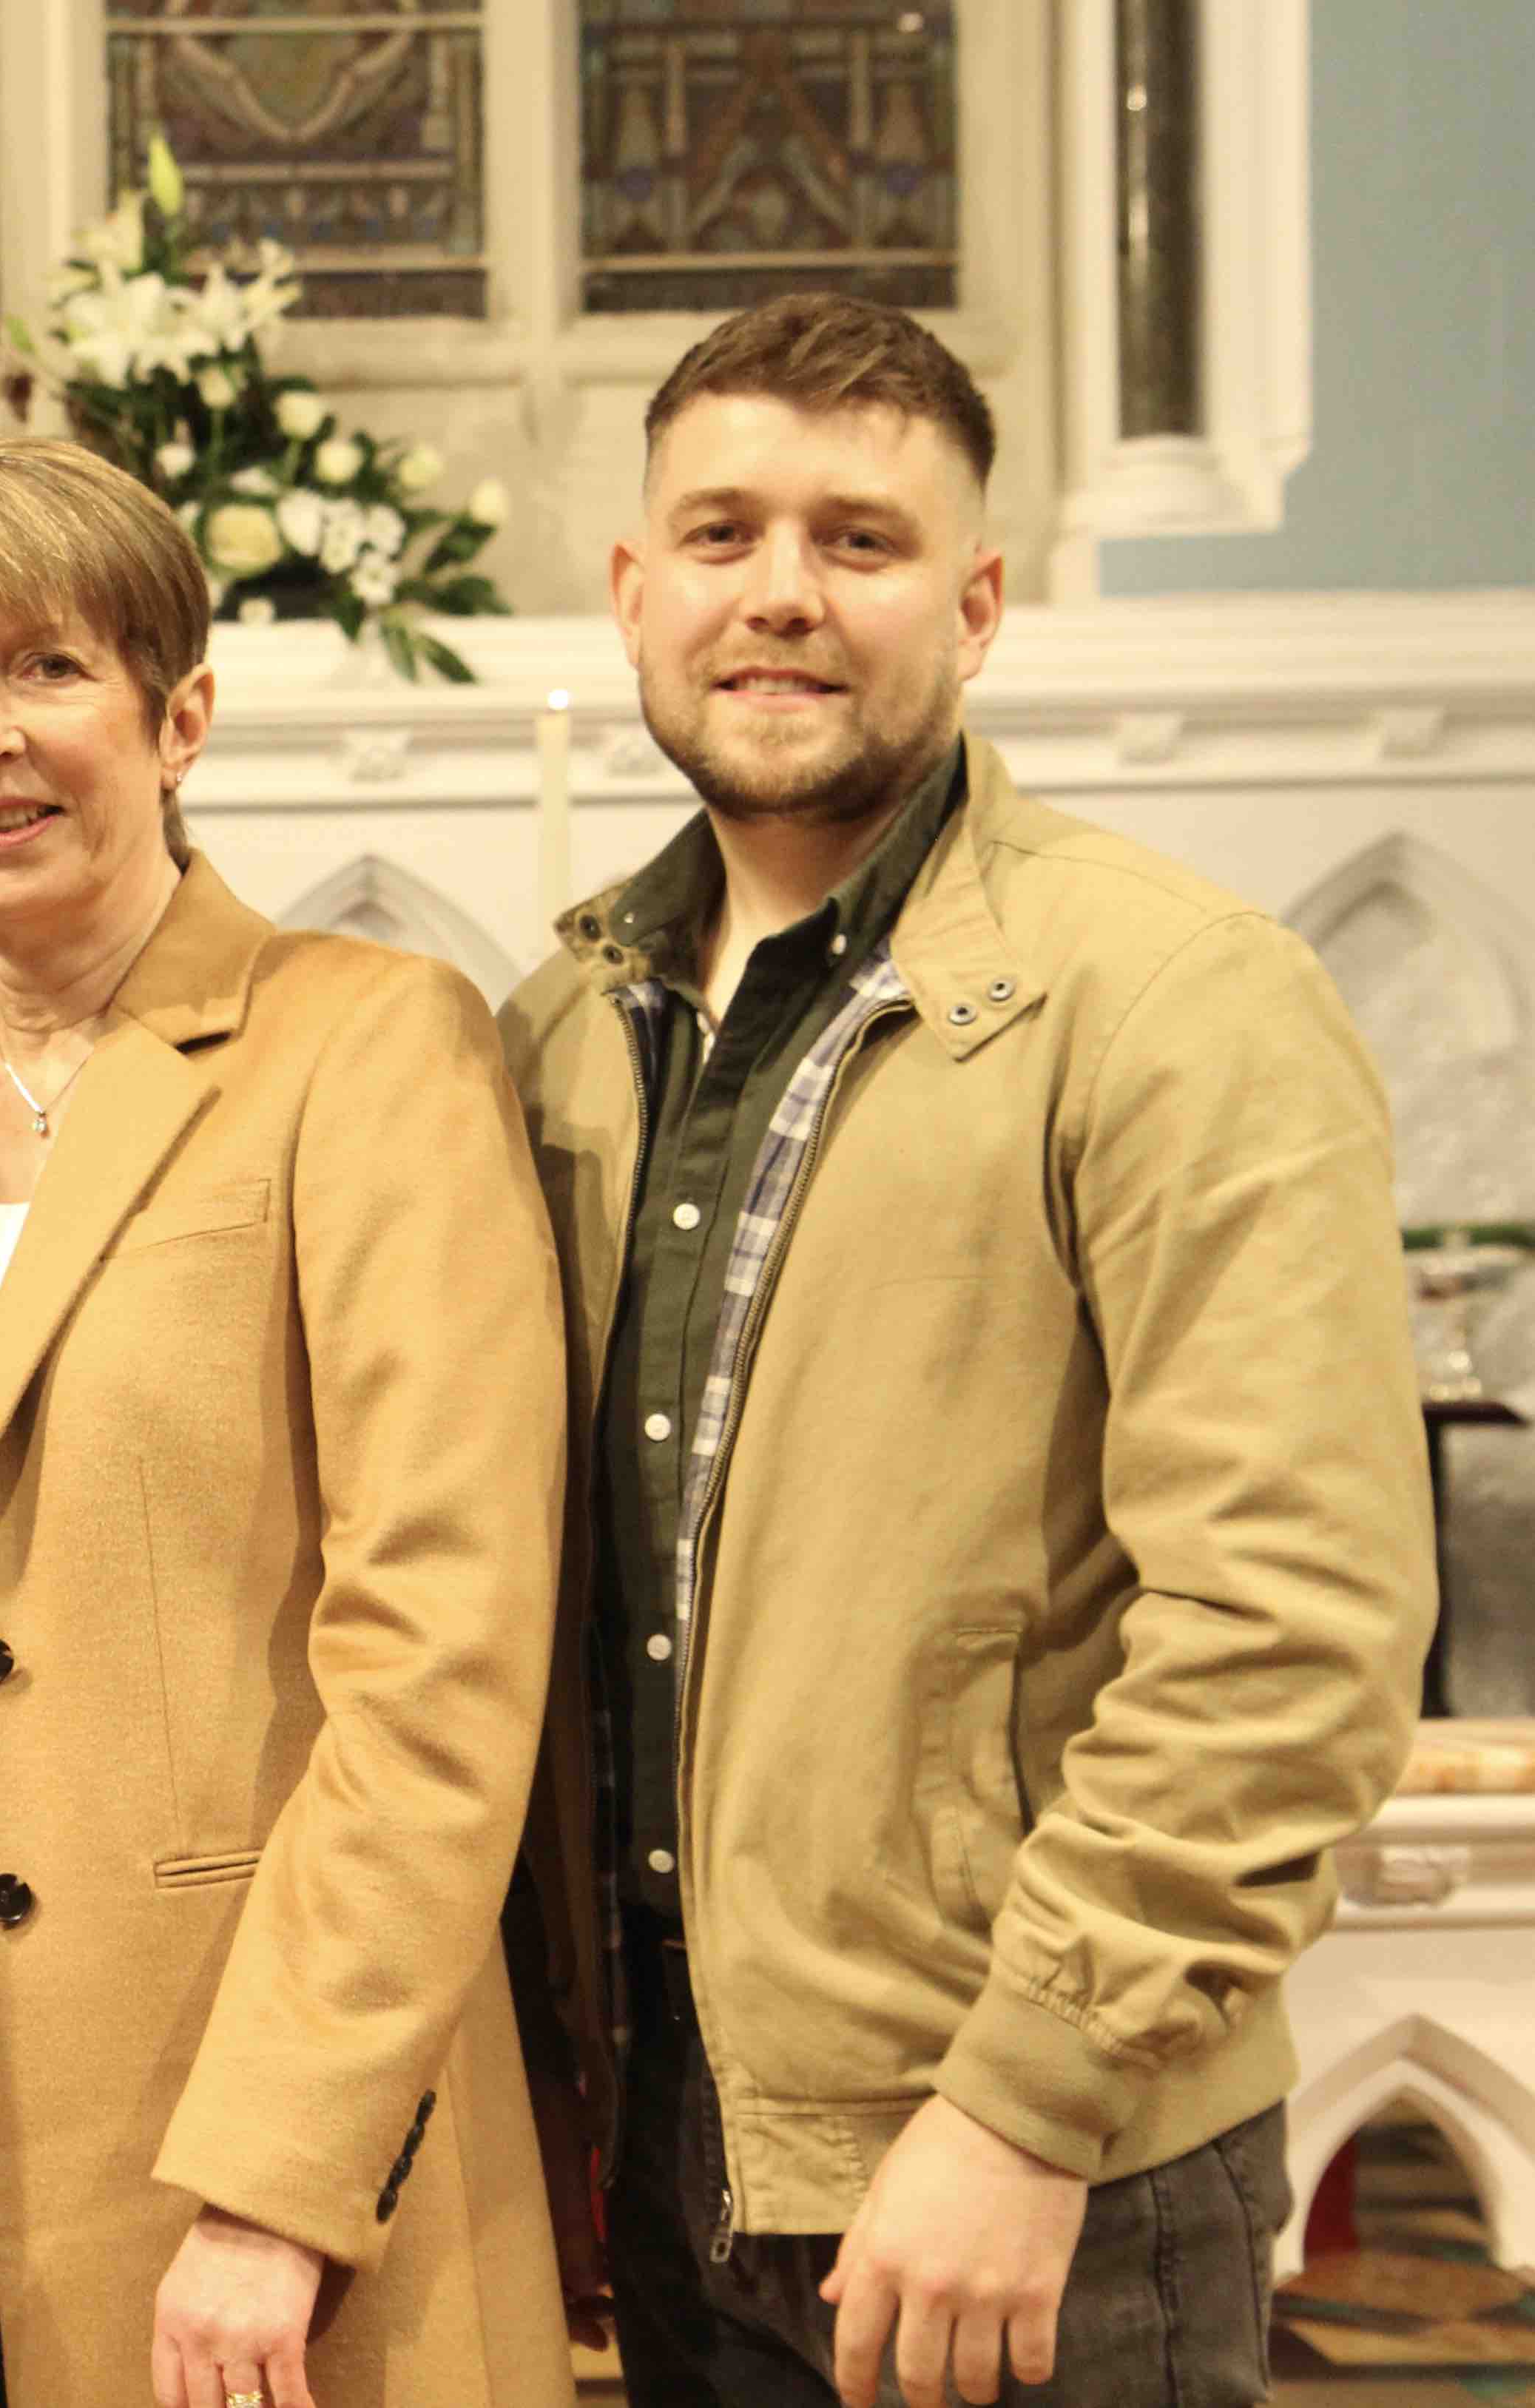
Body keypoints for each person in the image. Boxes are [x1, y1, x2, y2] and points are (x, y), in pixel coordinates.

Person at [501, 294, 1436, 2408]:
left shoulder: (1173, 999)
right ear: (634, 590)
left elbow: (1293, 1621)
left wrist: (1026, 2095)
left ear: (978, 601)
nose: (780, 598)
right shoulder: (564, 1029)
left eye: (859, 540)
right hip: (679, 2147)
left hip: (1033, 2180)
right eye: (722, 534)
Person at [0, 434, 575, 2408]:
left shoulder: (367, 1046)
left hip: (259, 2144)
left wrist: (276, 2182)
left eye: (46, 667)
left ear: (180, 710)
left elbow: (439, 1661)